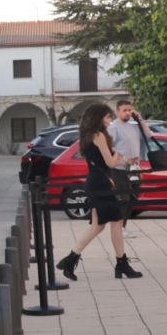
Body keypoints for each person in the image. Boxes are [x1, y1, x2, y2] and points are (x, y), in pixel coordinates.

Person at [56, 104, 142, 281]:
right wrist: (121, 160)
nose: (110, 120)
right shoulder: (99, 135)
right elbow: (110, 162)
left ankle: (71, 259)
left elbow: (108, 159)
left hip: (96, 181)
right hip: (102, 183)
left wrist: (125, 160)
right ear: (99, 118)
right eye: (108, 117)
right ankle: (121, 263)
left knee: (98, 225)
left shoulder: (89, 135)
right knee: (116, 221)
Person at [107, 99, 150, 230]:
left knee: (132, 198)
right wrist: (125, 159)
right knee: (123, 199)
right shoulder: (113, 127)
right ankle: (119, 227)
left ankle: (123, 226)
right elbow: (110, 147)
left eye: (130, 110)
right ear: (117, 112)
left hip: (135, 169)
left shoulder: (134, 126)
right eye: (124, 110)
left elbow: (149, 135)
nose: (127, 113)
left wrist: (140, 119)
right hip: (119, 168)